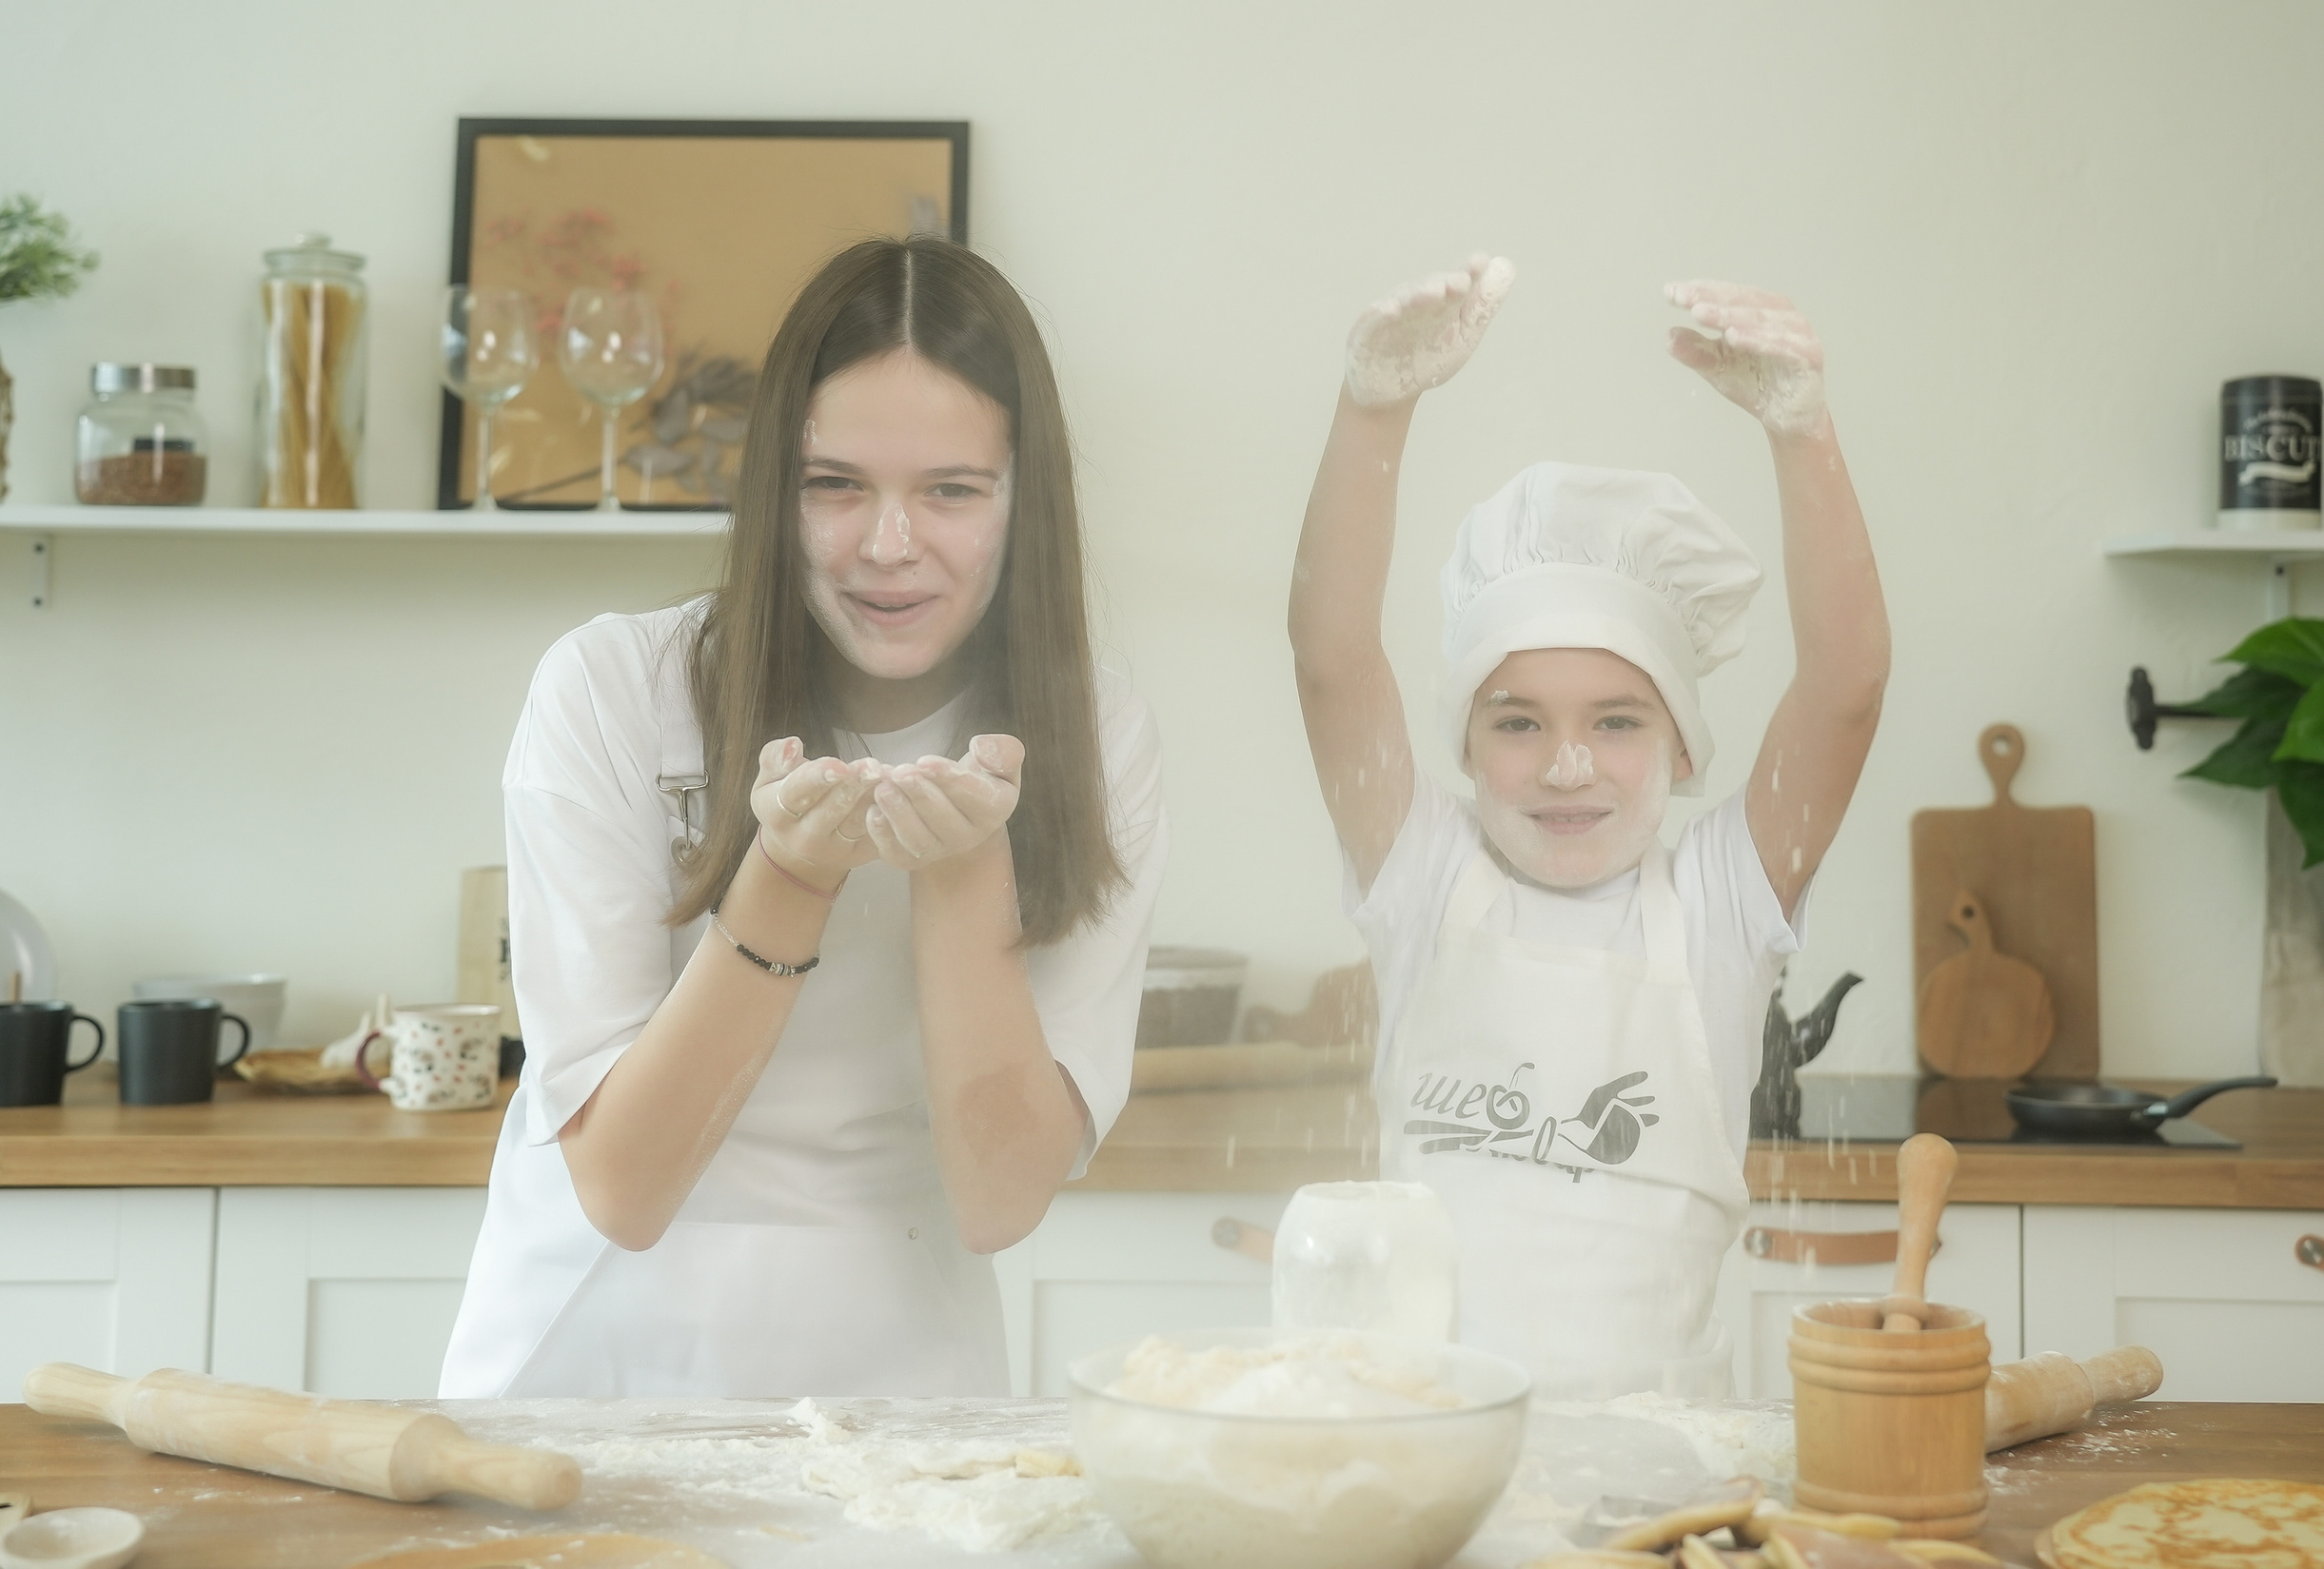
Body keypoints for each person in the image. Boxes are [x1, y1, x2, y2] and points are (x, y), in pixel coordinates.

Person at [440, 237, 1167, 1399]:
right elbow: (624, 1188)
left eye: (951, 491)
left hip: (904, 1375)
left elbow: (998, 1200)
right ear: (775, 485)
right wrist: (788, 872)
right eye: (836, 485)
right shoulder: (614, 688)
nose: (889, 546)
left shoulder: (1094, 738)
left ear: (1024, 502)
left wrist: (965, 870)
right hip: (590, 1371)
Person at [1288, 257, 1887, 1398]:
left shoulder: (1714, 905)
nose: (1568, 765)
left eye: (1615, 721)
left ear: (1681, 747)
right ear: (1463, 748)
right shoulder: (1428, 877)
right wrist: (1374, 408)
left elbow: (1846, 688)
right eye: (1517, 723)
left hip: (1663, 1494)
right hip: (1427, 1465)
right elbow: (1329, 661)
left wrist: (1802, 435)